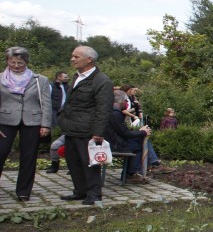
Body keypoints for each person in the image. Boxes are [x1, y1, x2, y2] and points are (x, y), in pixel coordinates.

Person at [58, 46, 113, 205]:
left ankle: (94, 194)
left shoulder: (101, 81)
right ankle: (80, 191)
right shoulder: (77, 77)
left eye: (76, 57)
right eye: (72, 56)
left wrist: (98, 132)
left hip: (87, 129)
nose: (72, 59)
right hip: (71, 127)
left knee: (89, 162)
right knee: (73, 162)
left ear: (89, 59)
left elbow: (104, 109)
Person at [0, 47, 51, 201]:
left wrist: (45, 124)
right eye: (12, 62)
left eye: (20, 63)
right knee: (1, 152)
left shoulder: (40, 80)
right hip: (5, 120)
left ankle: (23, 191)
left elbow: (46, 103)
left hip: (32, 121)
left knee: (29, 156)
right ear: (7, 61)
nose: (16, 66)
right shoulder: (1, 78)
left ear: (26, 62)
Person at [105, 90, 151, 184]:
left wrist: (139, 132)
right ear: (122, 101)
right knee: (139, 145)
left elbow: (121, 131)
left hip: (109, 141)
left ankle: (153, 164)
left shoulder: (108, 111)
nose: (127, 103)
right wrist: (142, 132)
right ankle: (130, 174)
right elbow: (125, 133)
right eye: (126, 100)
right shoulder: (115, 113)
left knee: (139, 139)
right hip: (114, 145)